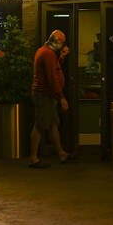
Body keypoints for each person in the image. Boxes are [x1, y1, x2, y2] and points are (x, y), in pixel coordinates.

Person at [28, 29, 72, 168]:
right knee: (40, 125)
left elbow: (54, 70)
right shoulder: (47, 54)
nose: (64, 45)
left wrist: (61, 57)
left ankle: (61, 153)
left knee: (53, 125)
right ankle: (33, 158)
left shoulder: (47, 52)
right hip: (44, 95)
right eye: (63, 41)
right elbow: (52, 77)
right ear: (58, 41)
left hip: (46, 94)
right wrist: (62, 97)